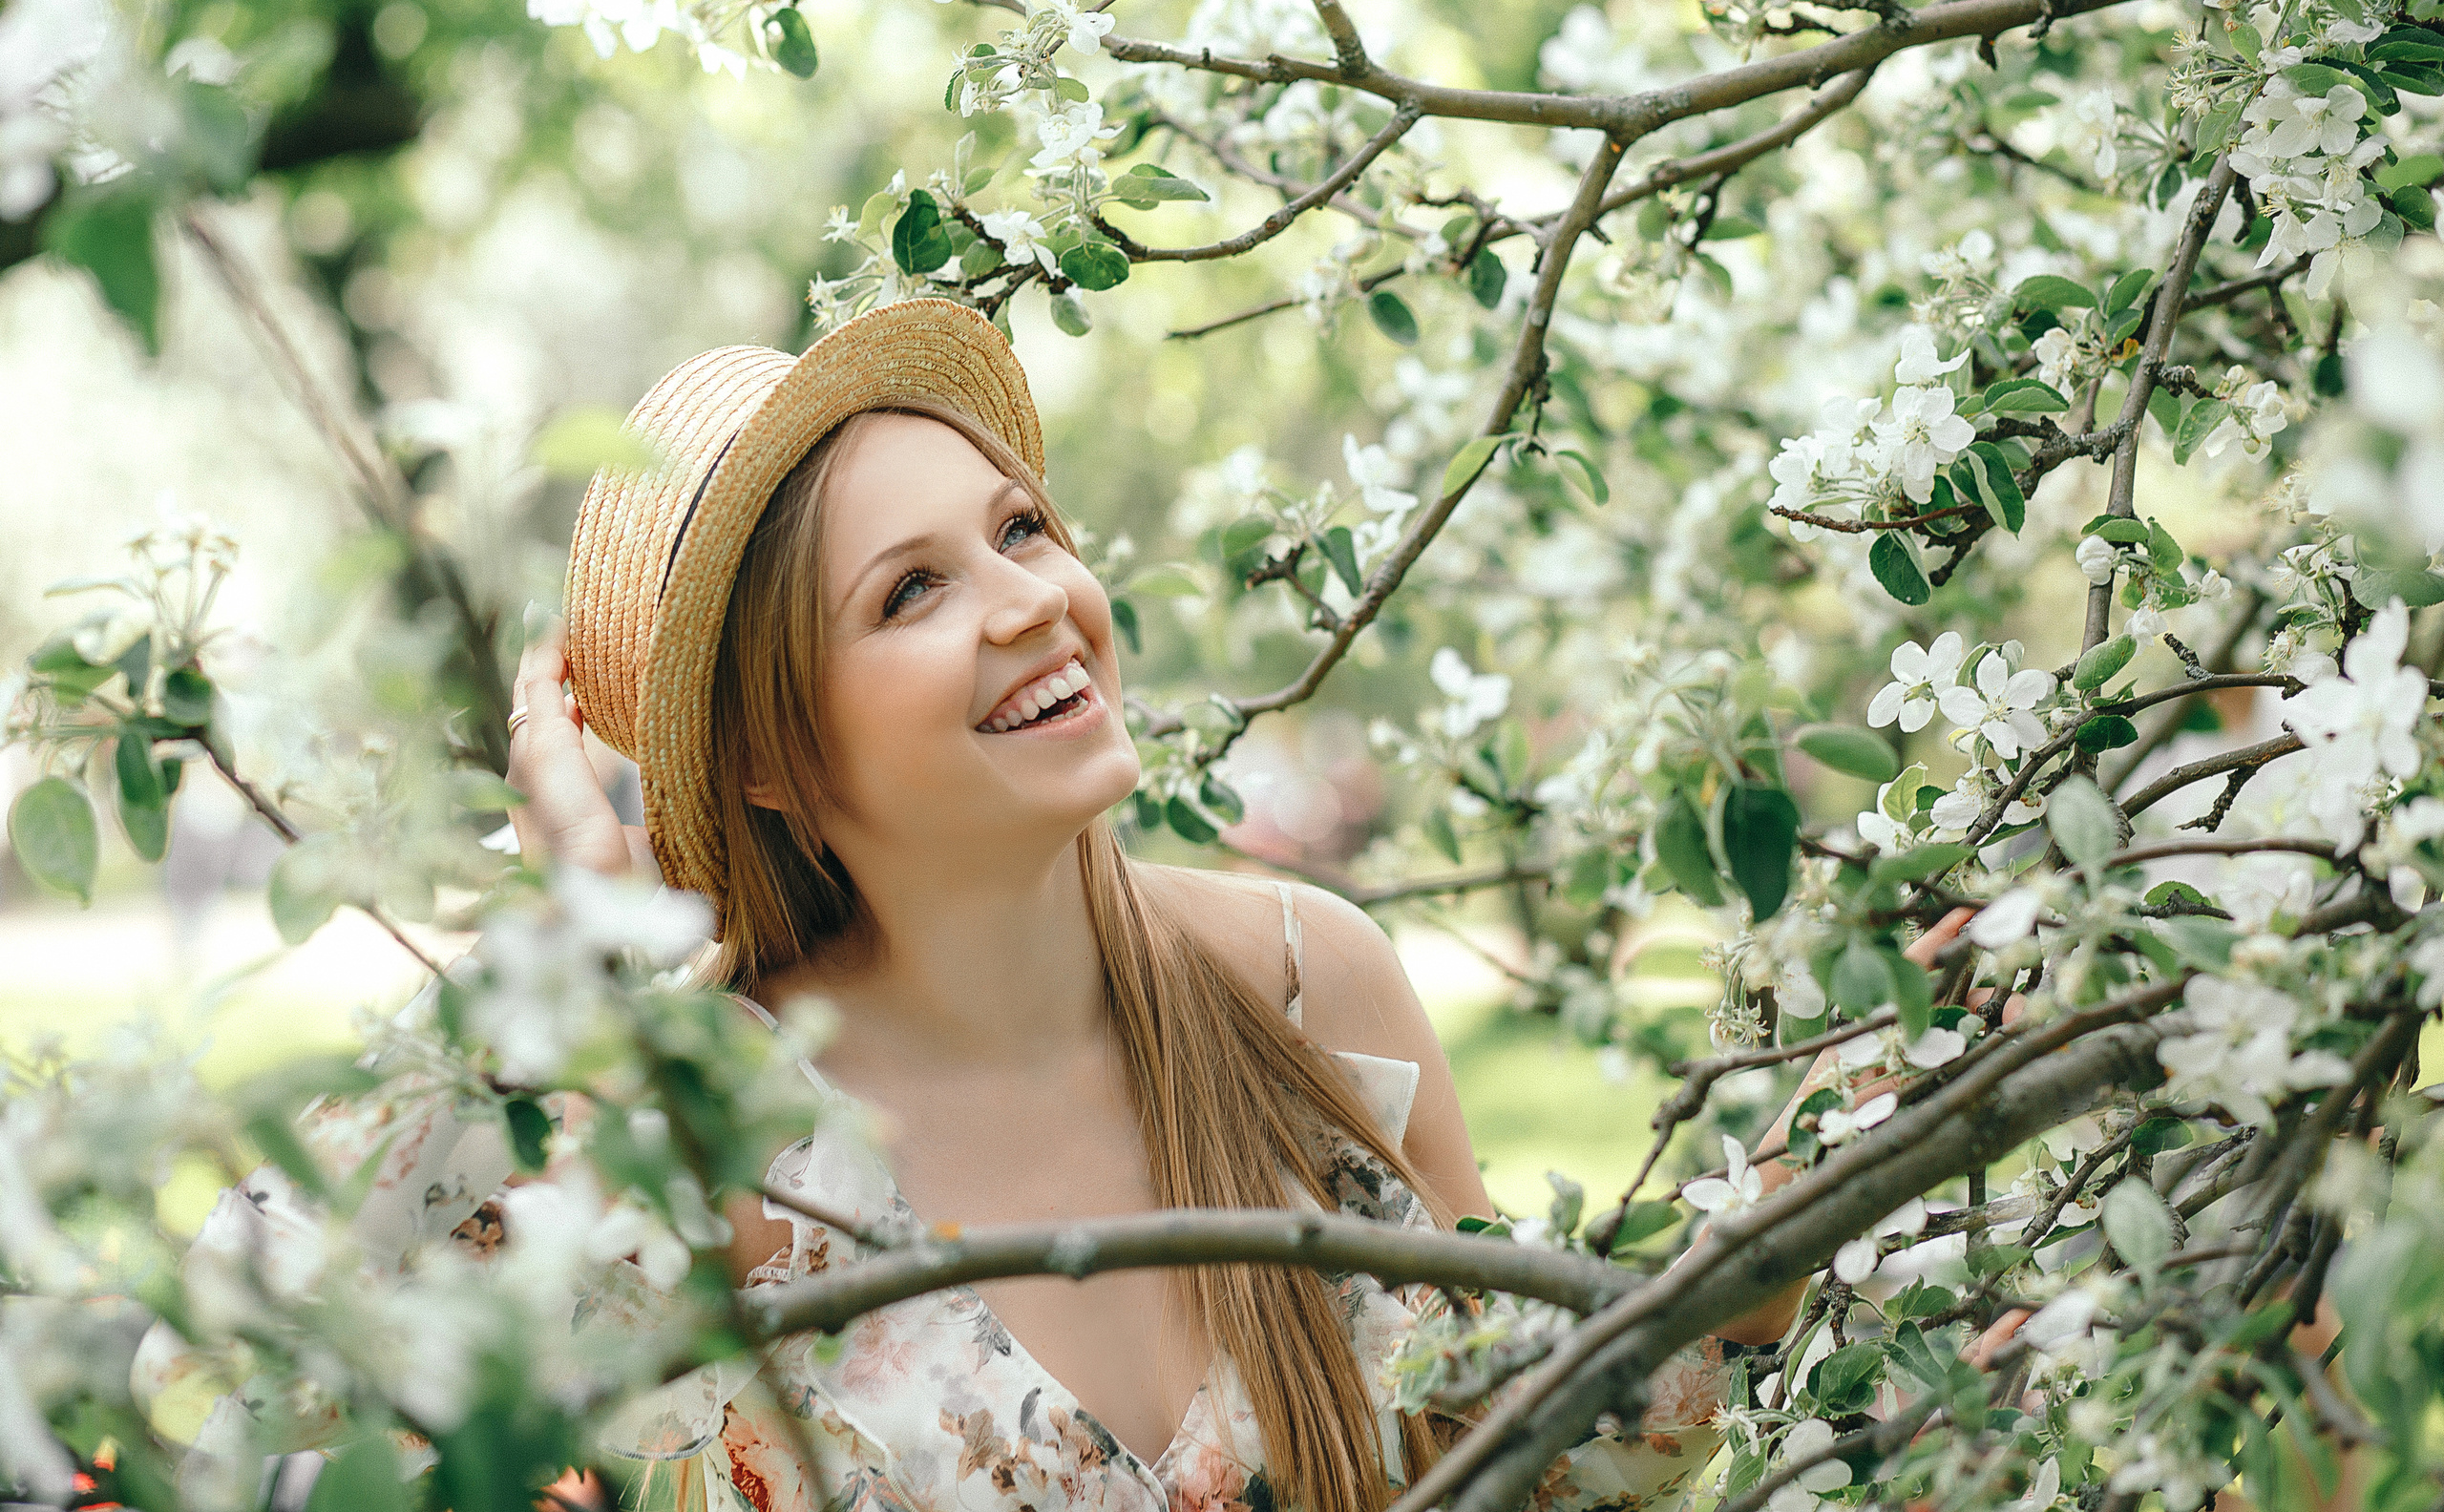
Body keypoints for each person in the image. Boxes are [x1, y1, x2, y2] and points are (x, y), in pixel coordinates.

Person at [491, 298, 1940, 1512]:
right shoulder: (719, 1126)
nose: (1028, 602)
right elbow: (328, 1358)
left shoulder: (1308, 985)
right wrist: (566, 976)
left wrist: (1774, 1222)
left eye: (1021, 529)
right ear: (766, 756)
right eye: (911, 591)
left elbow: (1519, 1457)